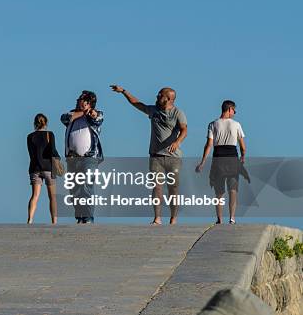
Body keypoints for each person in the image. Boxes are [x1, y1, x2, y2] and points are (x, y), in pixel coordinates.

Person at [110, 85, 187, 225]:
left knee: (173, 188)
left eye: (160, 95)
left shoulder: (178, 113)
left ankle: (173, 218)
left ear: (169, 99)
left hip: (174, 158)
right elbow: (136, 103)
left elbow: (184, 130)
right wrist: (123, 91)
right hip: (156, 156)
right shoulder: (153, 110)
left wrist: (177, 142)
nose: (157, 97)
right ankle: (157, 218)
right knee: (157, 187)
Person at [195, 100, 246, 224]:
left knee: (219, 191)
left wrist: (202, 162)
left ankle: (219, 218)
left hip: (218, 157)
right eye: (234, 110)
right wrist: (243, 156)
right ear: (229, 109)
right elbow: (242, 146)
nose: (234, 113)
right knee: (233, 189)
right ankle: (232, 218)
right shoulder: (237, 124)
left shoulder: (212, 124)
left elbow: (209, 145)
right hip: (232, 157)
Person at [61, 90, 104, 224]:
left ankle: (88, 217)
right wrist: (82, 112)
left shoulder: (97, 114)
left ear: (90, 103)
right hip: (72, 158)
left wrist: (91, 113)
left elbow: (97, 119)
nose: (80, 102)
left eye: (84, 100)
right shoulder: (71, 115)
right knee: (74, 189)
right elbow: (64, 118)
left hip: (89, 158)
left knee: (86, 186)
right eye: (80, 100)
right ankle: (79, 217)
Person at [26, 113, 60, 224]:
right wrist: (58, 160)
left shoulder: (30, 136)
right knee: (52, 197)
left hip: (35, 168)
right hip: (49, 168)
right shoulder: (50, 135)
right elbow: (53, 151)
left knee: (35, 196)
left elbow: (31, 154)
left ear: (35, 123)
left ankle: (30, 219)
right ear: (46, 123)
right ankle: (54, 221)